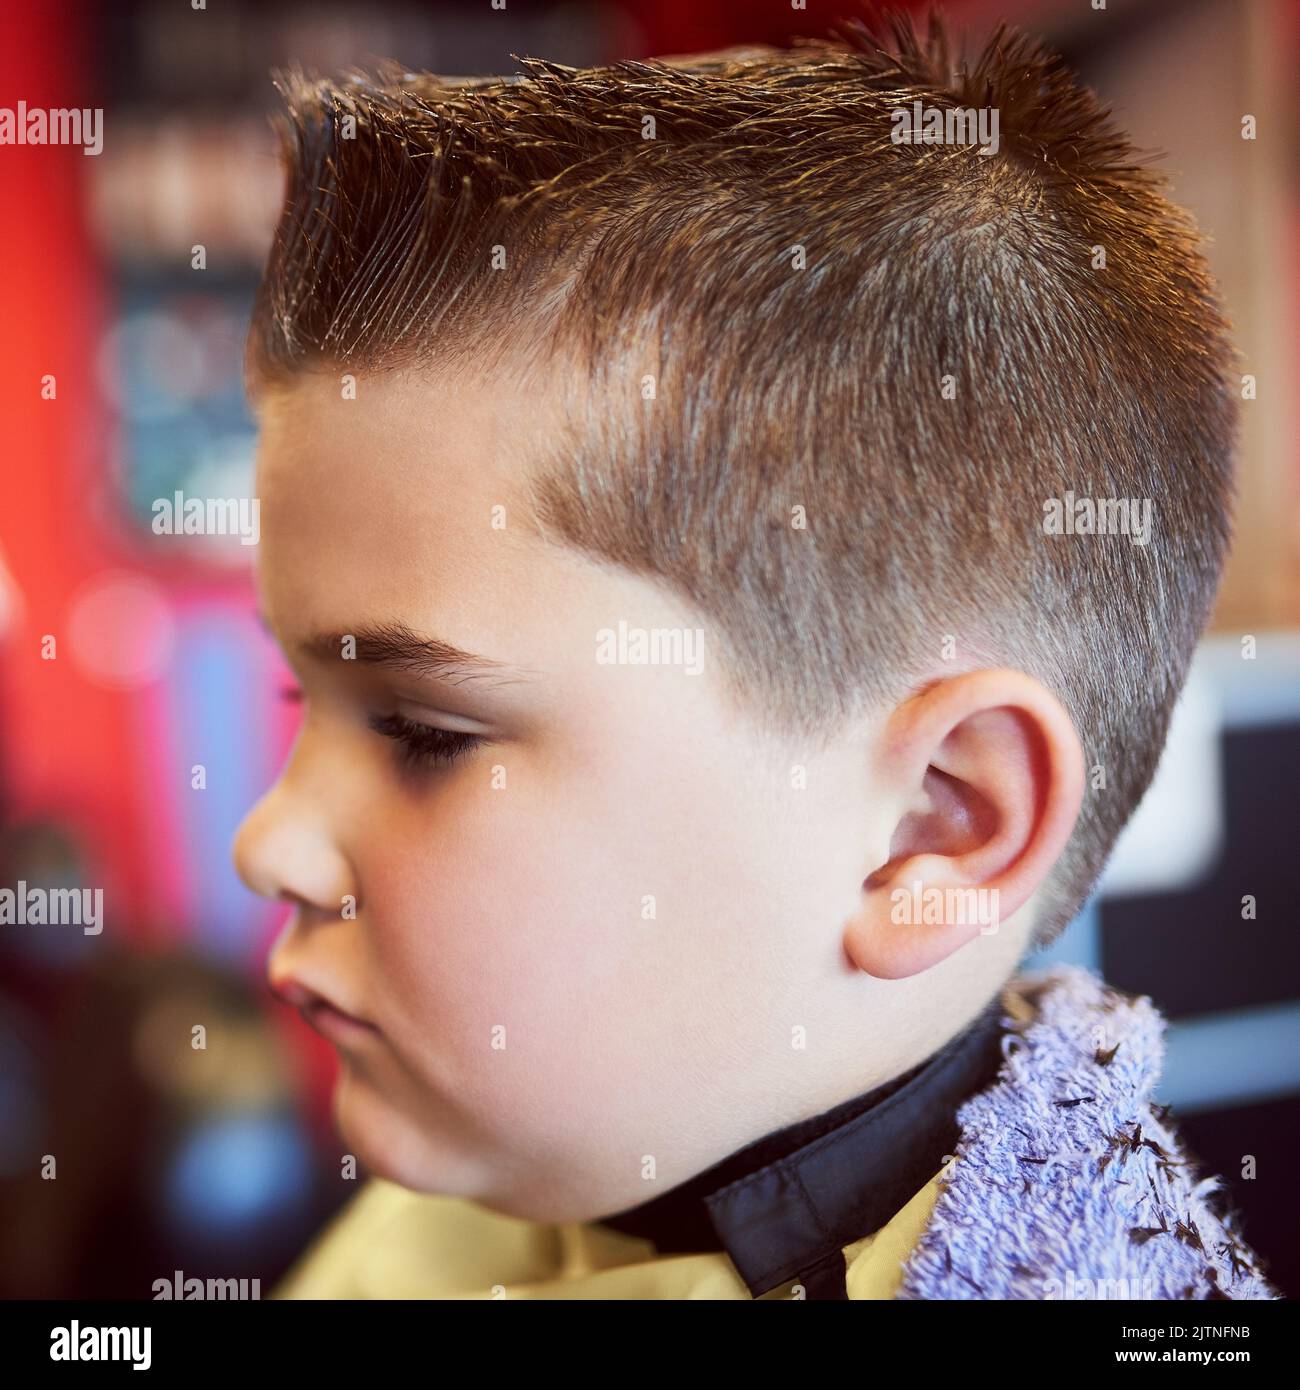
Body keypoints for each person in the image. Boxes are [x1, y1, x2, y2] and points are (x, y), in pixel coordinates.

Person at [232, 13, 1278, 1299]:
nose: (266, 840)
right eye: (302, 695)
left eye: (423, 732)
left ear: (930, 828)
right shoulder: (497, 1187)